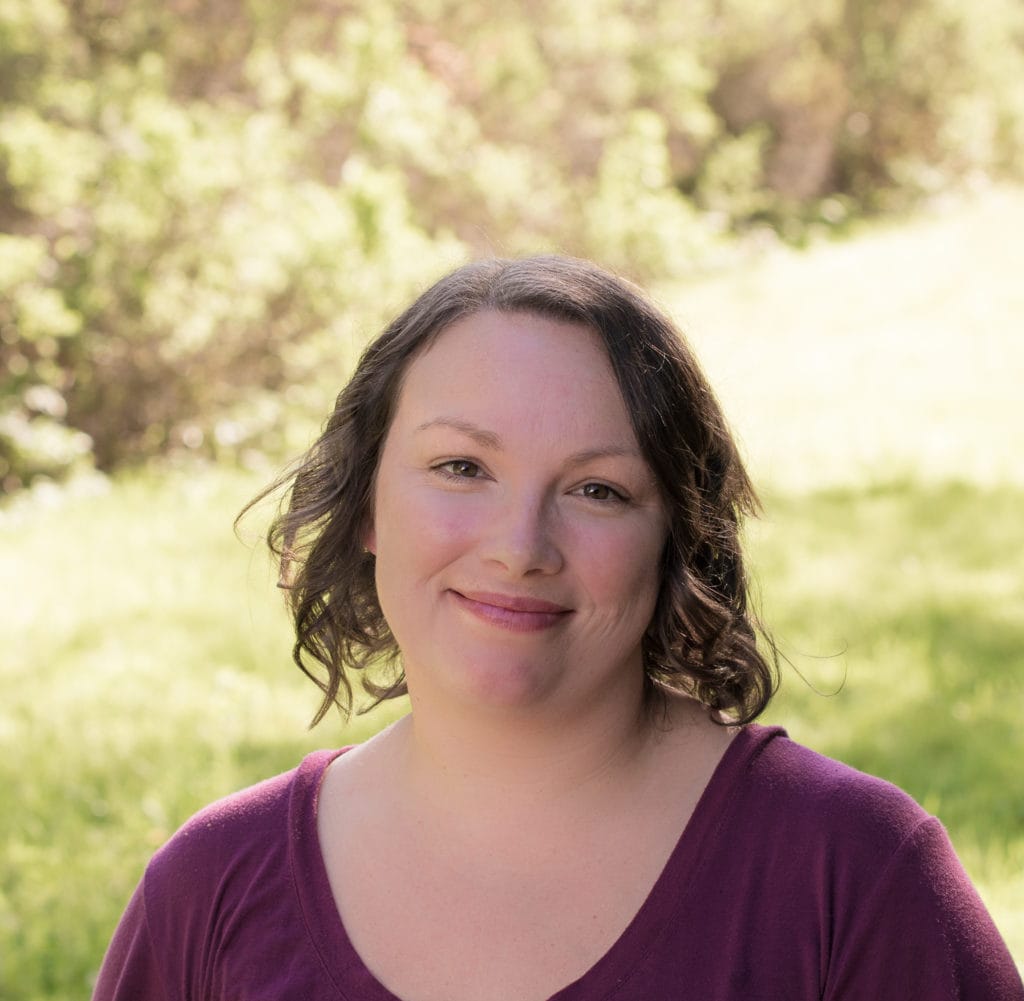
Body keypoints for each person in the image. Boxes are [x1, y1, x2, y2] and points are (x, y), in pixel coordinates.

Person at [93, 256, 1023, 1000]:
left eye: (597, 489)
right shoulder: (212, 886)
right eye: (461, 467)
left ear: (675, 537)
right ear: (368, 502)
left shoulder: (851, 873)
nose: (520, 546)